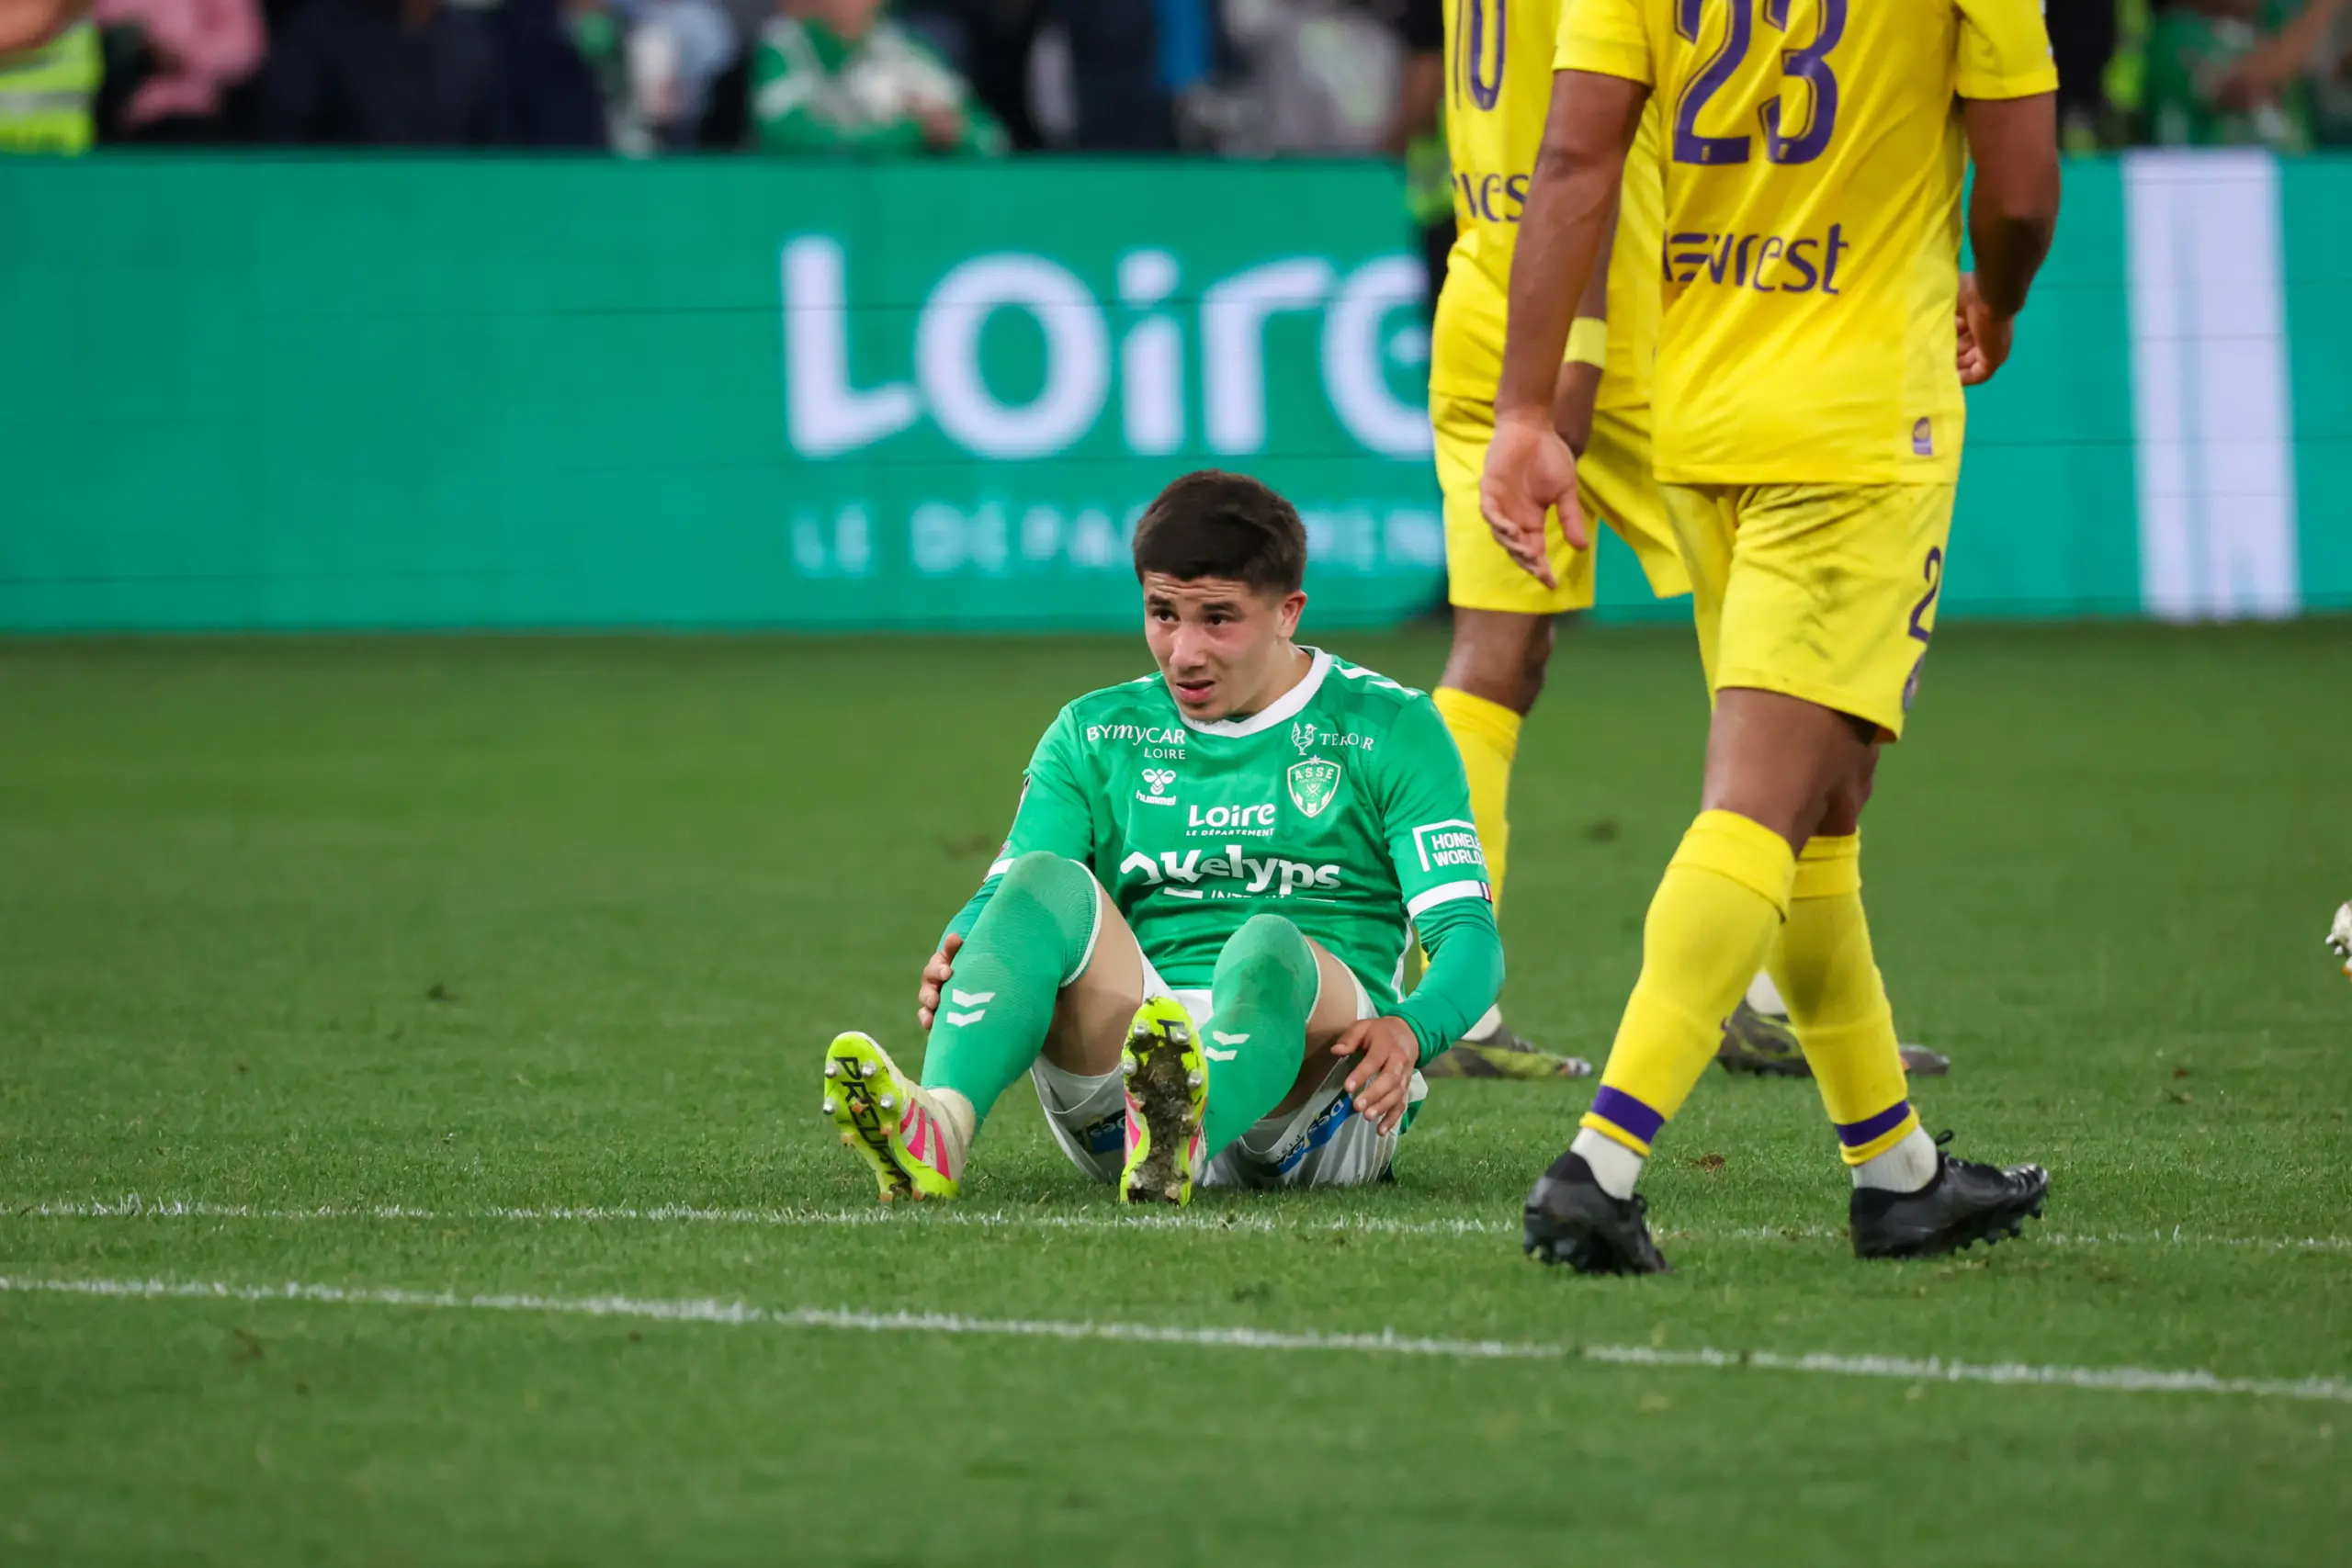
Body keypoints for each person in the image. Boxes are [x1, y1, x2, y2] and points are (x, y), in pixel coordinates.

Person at [1485, 0, 2062, 1272]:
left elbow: (1576, 160)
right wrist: (1998, 297)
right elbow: (2019, 191)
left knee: (1820, 796)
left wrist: (1529, 407)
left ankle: (1895, 1168)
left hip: (1704, 415)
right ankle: (1601, 1163)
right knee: (1760, 802)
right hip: (1857, 425)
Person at [1423, 0, 1947, 1082]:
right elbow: (1586, 151)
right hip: (1608, 327)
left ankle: (1446, 1003)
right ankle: (1766, 993)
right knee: (1801, 661)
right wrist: (1571, 376)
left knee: (1493, 660)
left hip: (1485, 294)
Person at [821, 470, 1504, 1204]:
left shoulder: (1389, 727)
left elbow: (1468, 935)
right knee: (1042, 881)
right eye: (1162, 613)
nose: (1183, 650)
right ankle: (942, 1126)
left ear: (1288, 613)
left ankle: (1193, 1122)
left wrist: (1411, 1029)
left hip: (1320, 1108)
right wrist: (966, 941)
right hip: (1128, 1099)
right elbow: (1006, 889)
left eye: (1218, 618)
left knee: (1268, 942)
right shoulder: (1095, 731)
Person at [750, 0, 1007, 155]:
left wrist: (952, 131)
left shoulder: (909, 53)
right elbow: (785, 136)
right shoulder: (785, 49)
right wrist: (909, 133)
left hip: (904, 205)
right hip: (806, 203)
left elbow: (990, 138)